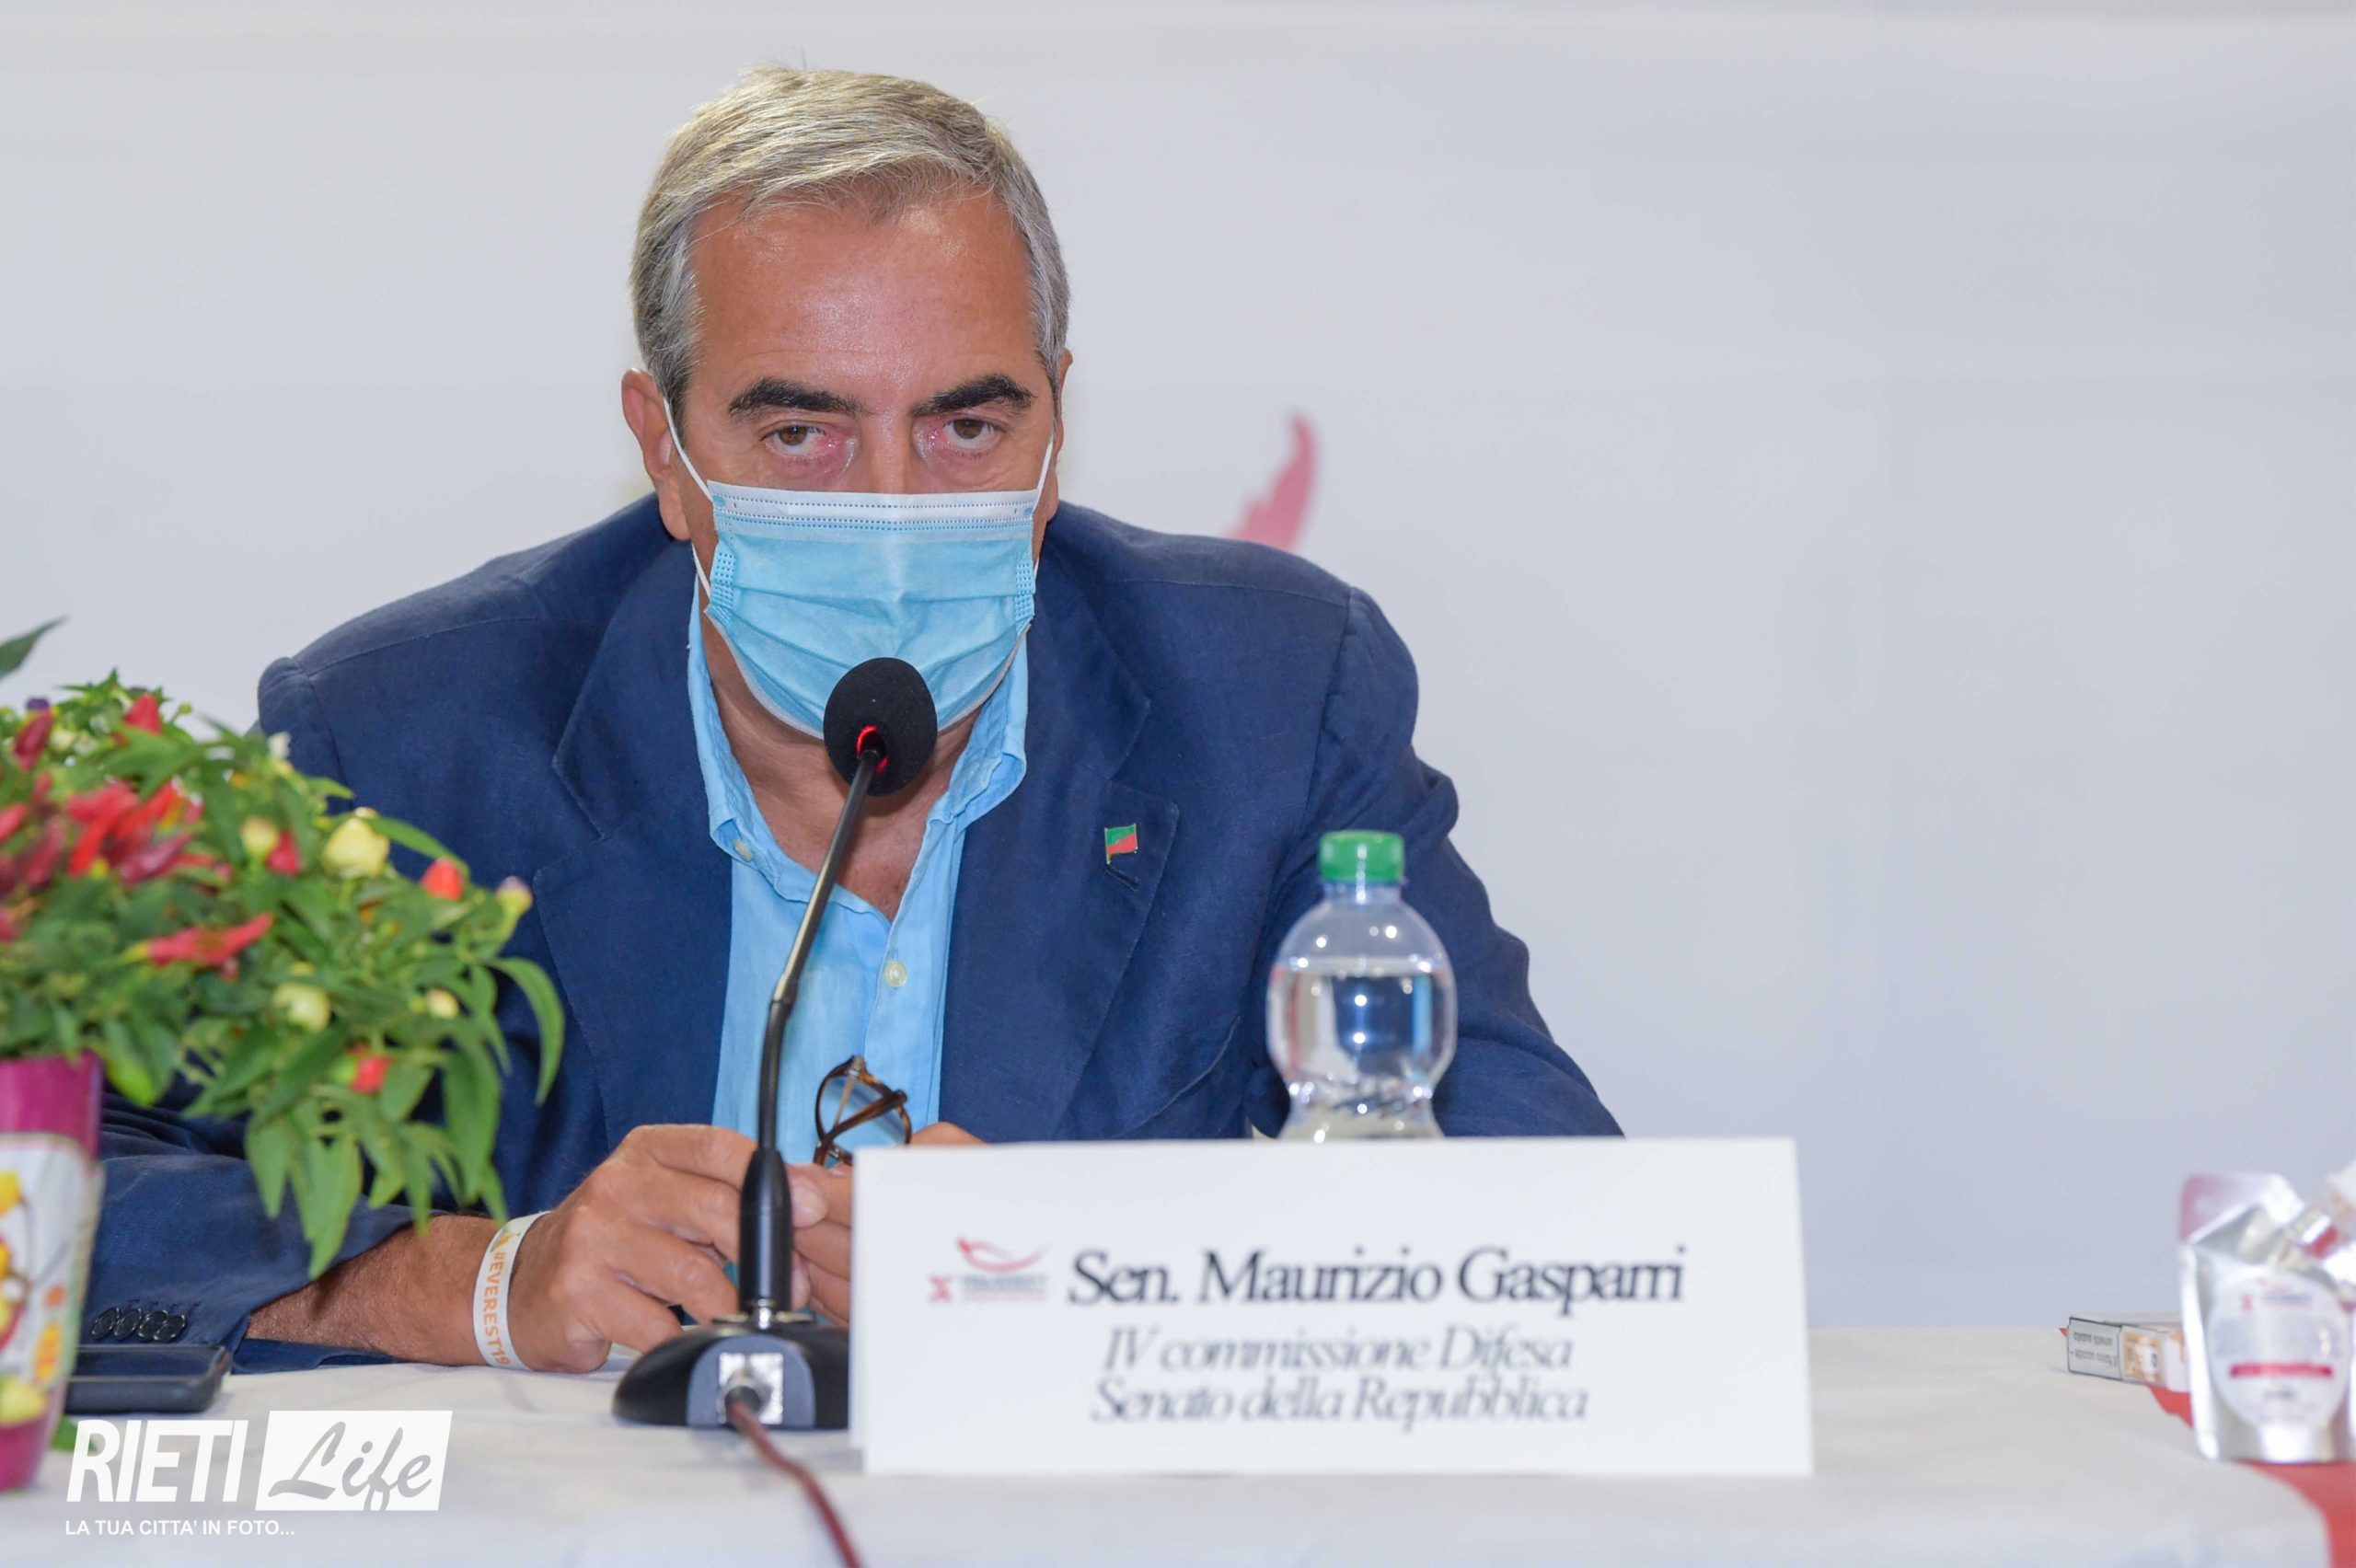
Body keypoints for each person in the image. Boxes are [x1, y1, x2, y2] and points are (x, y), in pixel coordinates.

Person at [89, 66, 1618, 1374]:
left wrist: (1092, 1262)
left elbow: (1549, 1209)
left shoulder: (1267, 695)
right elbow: (71, 1185)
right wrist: (483, 1283)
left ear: (1055, 427)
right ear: (666, 450)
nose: (893, 509)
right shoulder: (405, 734)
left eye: (967, 425)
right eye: (801, 432)